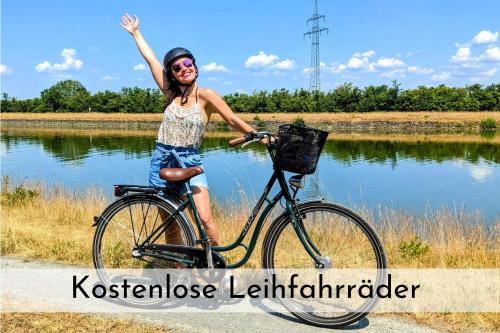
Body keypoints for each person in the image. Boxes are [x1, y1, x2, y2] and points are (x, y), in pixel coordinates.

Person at [120, 14, 256, 246]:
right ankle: (177, 268)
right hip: (162, 159)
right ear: (172, 74)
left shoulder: (206, 95)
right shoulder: (170, 93)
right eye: (177, 67)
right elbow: (152, 60)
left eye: (188, 64)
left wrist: (261, 137)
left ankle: (214, 264)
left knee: (205, 219)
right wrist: (136, 33)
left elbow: (232, 119)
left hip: (189, 160)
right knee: (169, 220)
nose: (184, 69)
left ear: (195, 66)